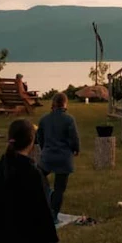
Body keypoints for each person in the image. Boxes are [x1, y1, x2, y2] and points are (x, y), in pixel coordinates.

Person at [36, 93, 80, 221]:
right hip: (64, 158)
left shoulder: (44, 119)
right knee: (59, 188)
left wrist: (45, 148)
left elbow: (39, 137)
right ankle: (54, 214)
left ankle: (48, 194)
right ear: (65, 104)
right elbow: (74, 138)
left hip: (47, 157)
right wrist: (75, 149)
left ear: (53, 103)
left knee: (39, 175)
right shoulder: (69, 119)